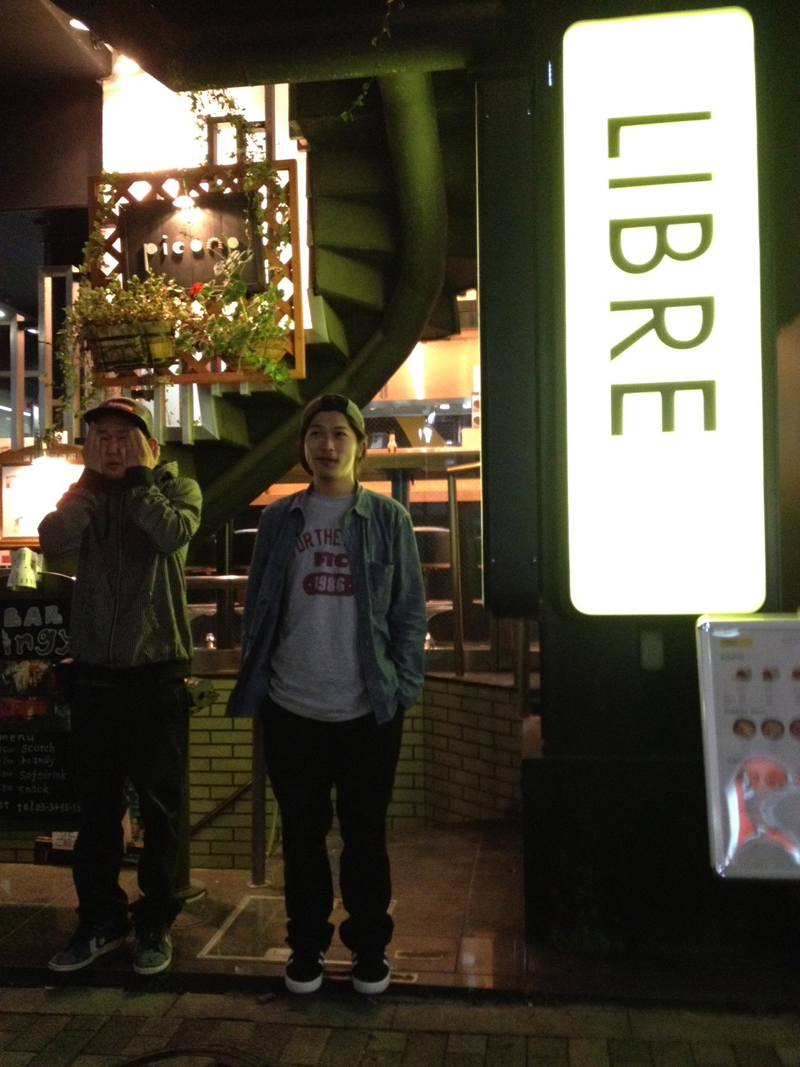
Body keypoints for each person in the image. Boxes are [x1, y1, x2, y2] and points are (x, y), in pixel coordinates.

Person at [228, 394, 426, 995]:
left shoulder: (388, 518)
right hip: (292, 707)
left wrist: (403, 687)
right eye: (316, 433)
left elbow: (408, 611)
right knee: (302, 837)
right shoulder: (278, 519)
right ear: (303, 446)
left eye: (340, 433)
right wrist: (260, 683)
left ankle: (369, 946)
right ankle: (307, 945)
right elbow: (258, 606)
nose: (328, 444)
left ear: (360, 446)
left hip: (369, 708)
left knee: (365, 835)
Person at [38, 397, 202, 976]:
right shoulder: (83, 495)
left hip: (156, 675)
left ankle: (155, 920)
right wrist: (87, 486)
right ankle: (101, 920)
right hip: (94, 678)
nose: (112, 448)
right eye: (101, 437)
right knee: (96, 811)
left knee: (160, 810)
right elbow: (52, 538)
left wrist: (138, 481)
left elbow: (170, 536)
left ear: (151, 446)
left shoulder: (177, 491)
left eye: (124, 437)